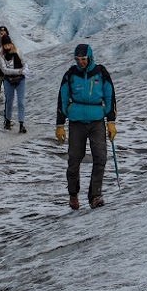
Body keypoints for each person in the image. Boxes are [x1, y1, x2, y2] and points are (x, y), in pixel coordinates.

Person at [55, 43, 117, 210]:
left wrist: (111, 121)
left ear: (90, 57)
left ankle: (95, 195)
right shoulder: (71, 74)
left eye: (83, 59)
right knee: (74, 159)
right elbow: (62, 97)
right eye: (78, 59)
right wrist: (60, 123)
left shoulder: (100, 73)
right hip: (76, 122)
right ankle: (73, 194)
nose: (80, 62)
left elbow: (110, 96)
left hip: (97, 120)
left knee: (100, 157)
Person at [0, 40, 28, 133]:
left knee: (21, 102)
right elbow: (5, 70)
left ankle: (21, 124)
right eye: (6, 44)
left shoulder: (17, 51)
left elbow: (24, 62)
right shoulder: (0, 55)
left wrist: (25, 69)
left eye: (9, 44)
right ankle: (8, 120)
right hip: (8, 80)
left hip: (20, 79)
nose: (8, 46)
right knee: (9, 101)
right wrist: (19, 71)